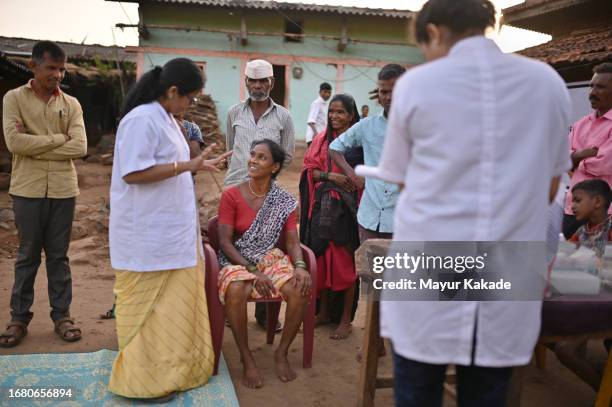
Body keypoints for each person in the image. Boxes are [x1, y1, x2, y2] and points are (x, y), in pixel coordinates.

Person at [356, 1, 571, 405]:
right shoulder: (546, 83)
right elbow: (550, 186)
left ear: (434, 32)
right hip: (507, 264)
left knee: (417, 386)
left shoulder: (417, 86)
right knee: (488, 392)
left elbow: (402, 179)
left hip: (431, 261)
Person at [108, 58, 231, 401]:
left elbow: (171, 166)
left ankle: (174, 371)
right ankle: (143, 382)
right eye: (190, 98)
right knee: (151, 314)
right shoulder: (141, 119)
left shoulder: (166, 119)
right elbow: (133, 173)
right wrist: (184, 165)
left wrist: (198, 165)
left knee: (171, 311)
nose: (191, 105)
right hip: (146, 235)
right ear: (173, 91)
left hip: (171, 233)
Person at [1, 41, 87, 348]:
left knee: (59, 257)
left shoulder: (72, 104)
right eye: (52, 68)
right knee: (26, 256)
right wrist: (57, 139)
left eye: (62, 69)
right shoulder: (14, 98)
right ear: (33, 66)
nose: (58, 75)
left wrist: (35, 143)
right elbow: (14, 143)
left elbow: (80, 147)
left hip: (64, 190)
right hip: (27, 190)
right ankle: (18, 319)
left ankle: (62, 316)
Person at [217, 139, 311, 389]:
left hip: (270, 258)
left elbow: (292, 242)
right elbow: (225, 243)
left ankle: (282, 352)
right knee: (236, 289)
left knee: (299, 289)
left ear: (275, 166)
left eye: (261, 157)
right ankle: (247, 358)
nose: (253, 160)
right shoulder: (231, 195)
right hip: (238, 259)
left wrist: (300, 266)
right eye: (252, 155)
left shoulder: (282, 200)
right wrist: (253, 270)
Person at [225, 59, 296, 329]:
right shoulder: (233, 113)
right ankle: (235, 308)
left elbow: (287, 154)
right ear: (245, 82)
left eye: (262, 81)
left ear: (271, 83)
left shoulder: (283, 117)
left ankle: (267, 317)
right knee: (233, 246)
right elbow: (231, 149)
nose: (257, 86)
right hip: (235, 188)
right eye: (252, 81)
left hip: (267, 191)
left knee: (268, 250)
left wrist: (265, 175)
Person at [300, 93, 362, 340]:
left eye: (341, 112)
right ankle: (324, 312)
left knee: (346, 264)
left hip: (347, 212)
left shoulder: (359, 143)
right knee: (322, 259)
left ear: (351, 115)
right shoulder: (320, 141)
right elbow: (309, 172)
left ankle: (345, 318)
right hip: (321, 209)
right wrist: (331, 177)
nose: (335, 116)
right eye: (332, 112)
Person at [553, 179, 612, 390]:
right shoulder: (583, 231)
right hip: (588, 296)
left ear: (597, 201)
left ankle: (603, 395)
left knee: (565, 348)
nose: (573, 205)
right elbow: (565, 253)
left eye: (577, 200)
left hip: (605, 301)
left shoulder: (610, 228)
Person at [563, 63, 612, 239]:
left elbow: (605, 164)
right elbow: (562, 161)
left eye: (600, 87)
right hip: (573, 209)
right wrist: (582, 154)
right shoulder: (580, 124)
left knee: (602, 264)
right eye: (591, 86)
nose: (592, 92)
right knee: (568, 262)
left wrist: (576, 159)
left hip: (605, 212)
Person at [306, 82, 332, 147]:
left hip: (321, 137)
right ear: (320, 92)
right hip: (315, 137)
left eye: (329, 92)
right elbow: (311, 121)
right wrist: (315, 134)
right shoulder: (317, 103)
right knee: (313, 157)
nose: (327, 94)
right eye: (325, 92)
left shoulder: (325, 104)